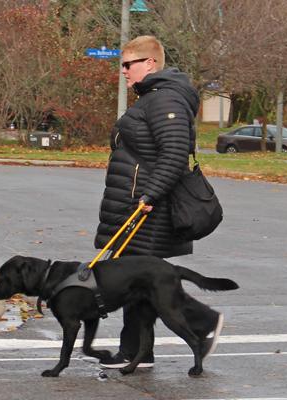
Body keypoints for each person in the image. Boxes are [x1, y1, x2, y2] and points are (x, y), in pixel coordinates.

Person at [95, 35, 225, 369]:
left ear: (150, 63)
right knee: (139, 283)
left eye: (128, 64)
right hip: (137, 203)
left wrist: (149, 195)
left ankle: (203, 323)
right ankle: (139, 352)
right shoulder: (152, 98)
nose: (123, 71)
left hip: (149, 209)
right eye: (122, 65)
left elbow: (174, 153)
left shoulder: (165, 100)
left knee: (140, 280)